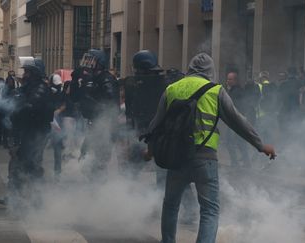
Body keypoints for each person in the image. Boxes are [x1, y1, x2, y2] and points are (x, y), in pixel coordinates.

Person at [146, 53, 276, 243]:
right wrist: (260, 145)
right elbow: (237, 121)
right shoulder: (216, 90)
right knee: (209, 210)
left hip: (176, 158)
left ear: (189, 69)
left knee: (171, 205)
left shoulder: (172, 89)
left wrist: (150, 151)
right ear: (211, 71)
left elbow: (155, 125)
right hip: (205, 159)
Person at [0, 57, 53, 205]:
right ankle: (16, 196)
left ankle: (36, 197)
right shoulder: (28, 87)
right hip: (26, 132)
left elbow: (30, 108)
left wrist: (17, 108)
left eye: (27, 71)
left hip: (36, 133)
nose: (24, 74)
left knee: (32, 165)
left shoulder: (40, 88)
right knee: (18, 164)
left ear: (35, 73)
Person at [73, 49, 119, 180]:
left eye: (91, 60)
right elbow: (75, 98)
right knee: (85, 155)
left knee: (98, 159)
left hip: (104, 126)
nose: (87, 63)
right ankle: (96, 185)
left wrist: (92, 101)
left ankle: (101, 189)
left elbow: (111, 105)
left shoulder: (106, 79)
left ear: (99, 63)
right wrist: (75, 80)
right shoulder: (91, 78)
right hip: (93, 124)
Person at [225, 70, 251, 168]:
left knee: (234, 142)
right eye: (227, 79)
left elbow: (235, 106)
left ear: (235, 80)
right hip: (234, 121)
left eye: (230, 79)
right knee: (237, 142)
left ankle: (238, 163)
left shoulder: (237, 91)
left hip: (236, 121)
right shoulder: (232, 90)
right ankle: (242, 163)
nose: (228, 81)